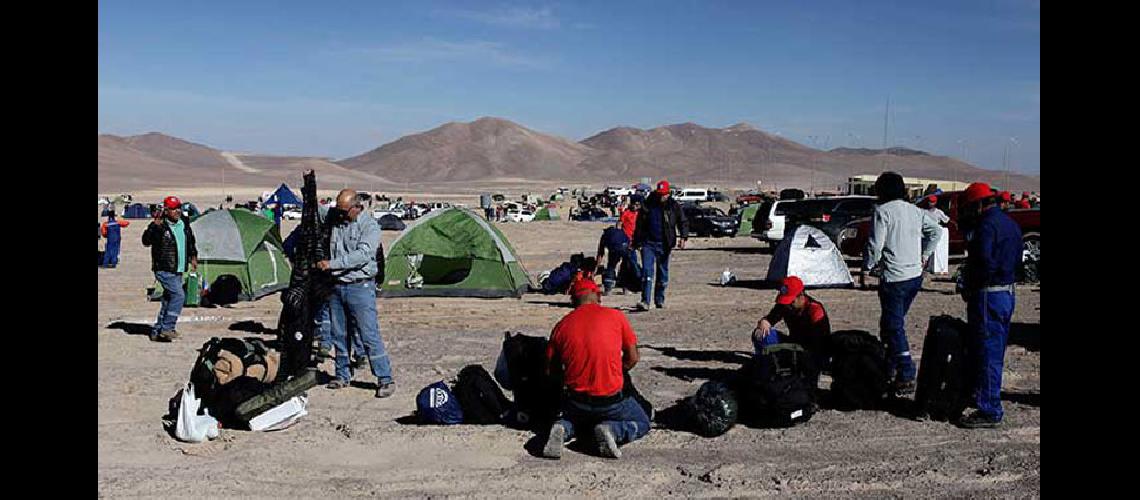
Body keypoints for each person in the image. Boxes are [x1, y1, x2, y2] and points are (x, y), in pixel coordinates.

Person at [541, 278, 650, 459]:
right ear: (598, 297)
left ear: (573, 300)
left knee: (577, 418)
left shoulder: (561, 326)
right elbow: (633, 358)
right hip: (611, 400)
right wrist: (616, 372)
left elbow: (551, 370)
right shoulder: (616, 317)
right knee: (642, 421)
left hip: (577, 400)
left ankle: (563, 427)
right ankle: (613, 430)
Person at [864, 172, 941, 396]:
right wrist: (924, 255)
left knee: (894, 325)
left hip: (894, 277)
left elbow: (875, 245)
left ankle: (906, 371)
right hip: (914, 276)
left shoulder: (883, 212)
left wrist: (867, 267)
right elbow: (936, 231)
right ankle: (889, 367)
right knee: (891, 323)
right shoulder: (916, 211)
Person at [956, 183, 1022, 429]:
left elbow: (984, 262)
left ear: (977, 205)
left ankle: (989, 408)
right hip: (1006, 292)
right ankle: (985, 394)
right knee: (995, 349)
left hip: (988, 295)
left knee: (986, 351)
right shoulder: (1010, 223)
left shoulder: (986, 226)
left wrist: (971, 285)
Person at [320, 189, 396, 398]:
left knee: (368, 334)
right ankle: (342, 375)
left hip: (360, 287)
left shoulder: (369, 226)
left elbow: (362, 255)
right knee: (339, 334)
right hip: (337, 286)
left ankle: (385, 378)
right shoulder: (337, 221)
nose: (341, 216)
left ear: (356, 207)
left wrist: (332, 264)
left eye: (345, 212)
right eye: (339, 212)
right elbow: (315, 211)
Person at [752, 276, 831, 384]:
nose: (788, 305)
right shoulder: (785, 305)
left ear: (801, 296)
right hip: (793, 344)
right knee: (762, 334)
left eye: (791, 301)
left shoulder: (815, 310)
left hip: (810, 350)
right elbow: (771, 318)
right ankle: (763, 364)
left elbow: (821, 342)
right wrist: (764, 321)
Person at [141, 196, 198, 342]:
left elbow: (190, 241)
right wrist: (154, 226)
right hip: (164, 268)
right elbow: (146, 241)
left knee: (168, 299)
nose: (177, 211)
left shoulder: (184, 223)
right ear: (166, 210)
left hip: (178, 267)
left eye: (178, 207)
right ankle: (168, 327)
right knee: (179, 296)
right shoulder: (160, 226)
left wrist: (193, 256)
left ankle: (157, 331)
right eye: (173, 209)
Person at [631, 180, 689, 311]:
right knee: (647, 272)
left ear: (668, 193)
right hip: (648, 244)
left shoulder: (673, 206)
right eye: (660, 194)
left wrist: (683, 237)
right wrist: (636, 242)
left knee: (662, 274)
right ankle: (645, 301)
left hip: (665, 244)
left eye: (664, 194)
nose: (662, 197)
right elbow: (639, 225)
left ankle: (659, 299)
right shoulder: (648, 205)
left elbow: (683, 221)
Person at [596, 223, 636, 295]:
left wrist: (596, 266)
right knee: (625, 267)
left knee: (611, 266)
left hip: (614, 248)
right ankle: (626, 288)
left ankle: (608, 289)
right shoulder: (621, 232)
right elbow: (629, 242)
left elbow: (601, 253)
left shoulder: (605, 235)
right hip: (626, 247)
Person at [917, 193, 951, 275]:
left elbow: (946, 220)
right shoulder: (923, 212)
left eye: (932, 202)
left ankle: (932, 267)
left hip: (934, 236)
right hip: (924, 235)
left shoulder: (939, 212)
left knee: (932, 253)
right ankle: (923, 268)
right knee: (923, 253)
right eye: (930, 202)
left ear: (935, 202)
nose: (931, 203)